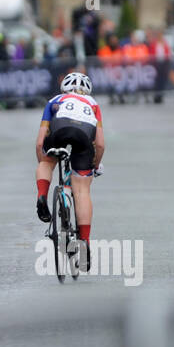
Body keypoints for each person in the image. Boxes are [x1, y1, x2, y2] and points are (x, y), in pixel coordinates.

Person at [35, 72, 104, 271]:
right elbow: (99, 144)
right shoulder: (92, 103)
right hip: (84, 135)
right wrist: (95, 164)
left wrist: (44, 163)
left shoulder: (55, 100)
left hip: (59, 130)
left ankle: (42, 196)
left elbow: (40, 141)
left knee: (47, 162)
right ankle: (84, 241)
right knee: (82, 190)